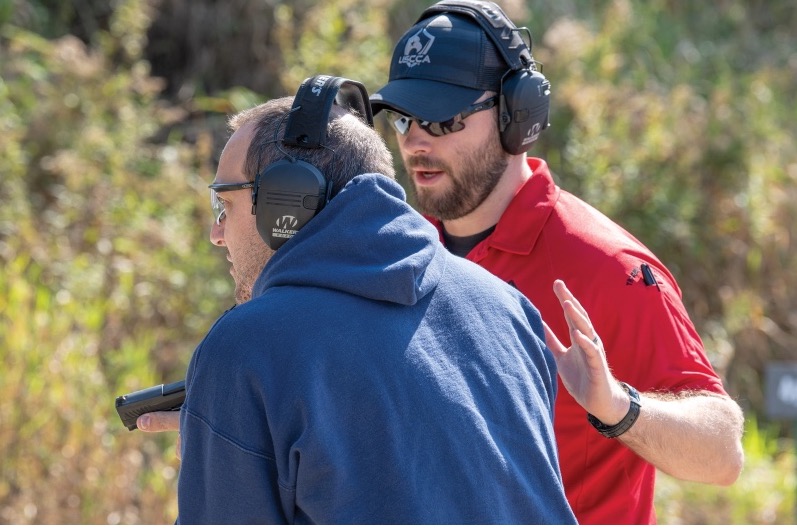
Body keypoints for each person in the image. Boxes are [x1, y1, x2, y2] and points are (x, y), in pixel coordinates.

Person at [369, 0, 745, 524]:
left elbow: (723, 451)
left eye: (440, 119)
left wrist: (616, 407)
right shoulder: (404, 253)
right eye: (404, 118)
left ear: (515, 116)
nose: (414, 141)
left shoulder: (607, 266)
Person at [167, 76, 577, 524]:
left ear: (287, 203)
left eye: (223, 204)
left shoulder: (247, 348)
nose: (217, 232)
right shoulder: (510, 310)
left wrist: (223, 429)